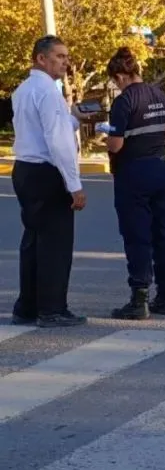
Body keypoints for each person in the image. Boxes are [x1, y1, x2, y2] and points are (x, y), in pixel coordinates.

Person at [10, 35, 88, 327]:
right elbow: (59, 142)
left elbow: (45, 128)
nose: (65, 62)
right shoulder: (48, 92)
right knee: (55, 243)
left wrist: (74, 118)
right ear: (41, 59)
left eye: (66, 57)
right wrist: (74, 184)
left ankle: (27, 307)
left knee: (33, 240)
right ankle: (52, 309)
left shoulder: (24, 90)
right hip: (46, 172)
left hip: (25, 170)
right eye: (59, 56)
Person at [101, 48, 165, 320]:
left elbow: (116, 143)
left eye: (115, 80)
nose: (116, 84)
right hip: (162, 168)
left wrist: (106, 137)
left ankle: (139, 298)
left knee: (137, 236)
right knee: (164, 232)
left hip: (134, 172)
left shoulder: (124, 102)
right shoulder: (157, 94)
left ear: (121, 75)